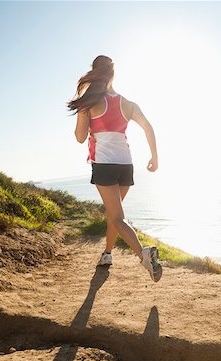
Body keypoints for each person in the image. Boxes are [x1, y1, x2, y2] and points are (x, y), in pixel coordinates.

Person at [68, 55, 162, 282]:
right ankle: (107, 254)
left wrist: (85, 115)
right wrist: (154, 158)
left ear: (95, 72)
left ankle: (144, 254)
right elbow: (148, 127)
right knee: (115, 214)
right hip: (125, 165)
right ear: (113, 74)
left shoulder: (89, 101)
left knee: (117, 217)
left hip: (104, 164)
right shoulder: (128, 103)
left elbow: (80, 137)